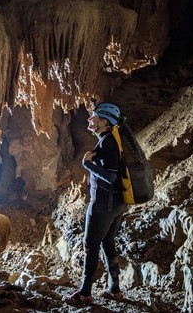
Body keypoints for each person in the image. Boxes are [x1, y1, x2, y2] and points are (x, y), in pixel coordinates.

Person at [65, 102, 127, 305]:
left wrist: (87, 165)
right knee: (108, 243)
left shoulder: (108, 142)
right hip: (116, 203)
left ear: (104, 121)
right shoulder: (109, 140)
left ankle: (84, 292)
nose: (89, 119)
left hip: (104, 204)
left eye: (94, 117)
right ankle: (114, 289)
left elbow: (110, 176)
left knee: (91, 245)